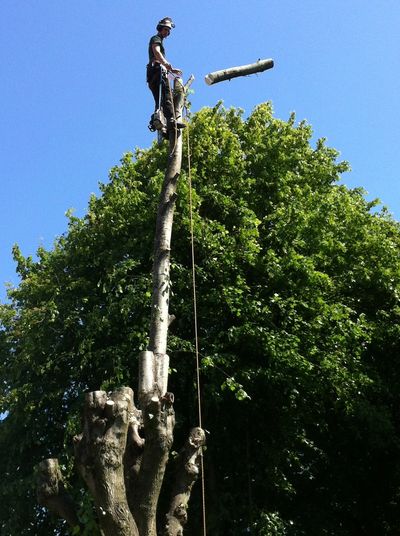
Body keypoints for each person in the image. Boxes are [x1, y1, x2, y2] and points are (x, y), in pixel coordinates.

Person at [147, 17, 186, 133]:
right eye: (166, 30)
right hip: (157, 71)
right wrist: (166, 64)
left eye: (168, 31)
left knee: (160, 100)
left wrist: (171, 70)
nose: (167, 33)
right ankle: (171, 120)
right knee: (166, 94)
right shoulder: (156, 38)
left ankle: (162, 126)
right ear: (160, 28)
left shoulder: (159, 39)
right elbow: (156, 52)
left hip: (152, 74)